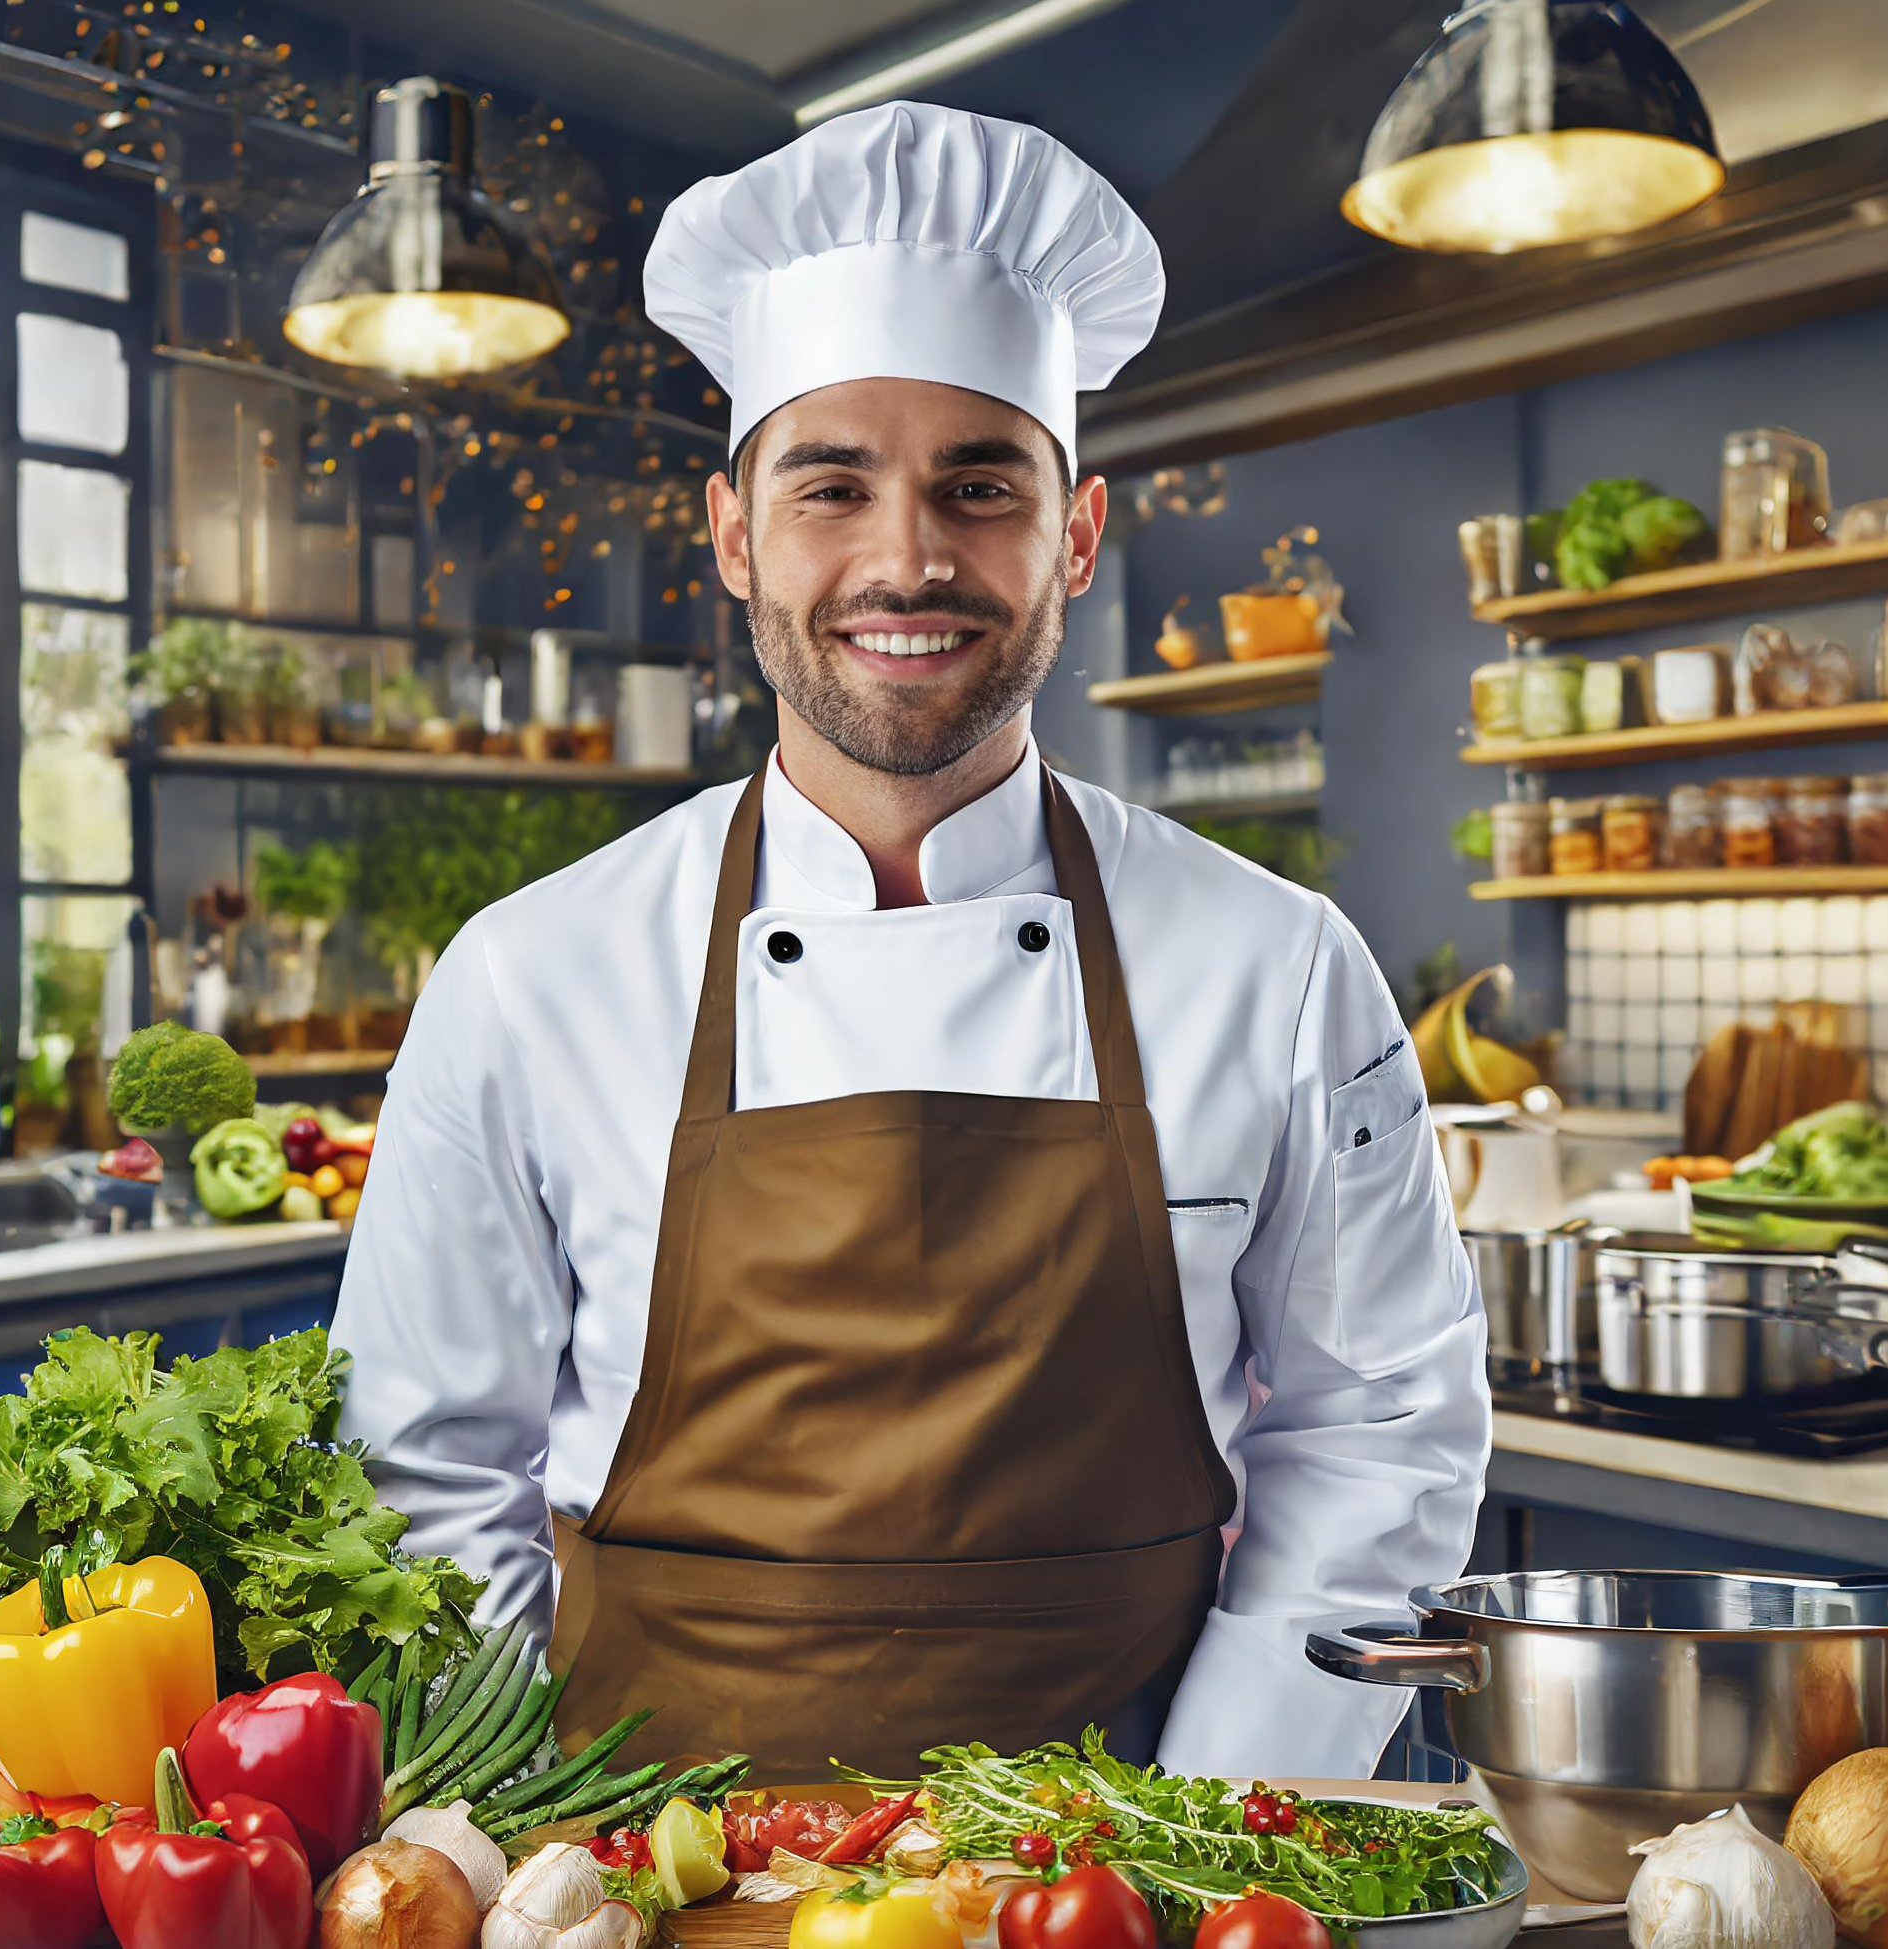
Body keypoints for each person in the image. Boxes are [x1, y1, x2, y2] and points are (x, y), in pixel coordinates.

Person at [331, 99, 1490, 1783]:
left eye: (978, 483)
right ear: (735, 536)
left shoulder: (1283, 968)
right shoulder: (527, 976)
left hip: (1140, 1870)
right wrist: (526, 1833)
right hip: (649, 1871)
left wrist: (1205, 1830)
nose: (907, 558)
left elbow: (1382, 1437)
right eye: (832, 485)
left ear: (1075, 535)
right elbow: (423, 1476)